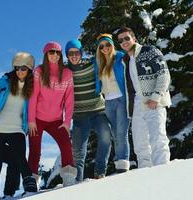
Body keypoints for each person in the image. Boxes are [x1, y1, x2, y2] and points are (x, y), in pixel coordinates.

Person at [117, 26, 171, 168]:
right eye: (121, 40)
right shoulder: (125, 60)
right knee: (140, 144)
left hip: (154, 102)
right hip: (137, 104)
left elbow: (164, 74)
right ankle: (144, 176)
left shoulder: (149, 51)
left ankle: (163, 171)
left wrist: (156, 97)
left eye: (127, 38)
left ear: (134, 38)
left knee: (158, 139)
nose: (124, 42)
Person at [0, 52, 37, 200]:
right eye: (17, 68)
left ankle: (24, 190)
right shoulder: (6, 82)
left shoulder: (32, 86)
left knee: (20, 159)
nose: (20, 71)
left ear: (29, 70)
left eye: (24, 68)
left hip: (17, 128)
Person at [28, 41, 77, 187]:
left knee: (66, 145)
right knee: (35, 150)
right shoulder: (39, 71)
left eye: (57, 52)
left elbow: (69, 100)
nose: (55, 55)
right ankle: (32, 181)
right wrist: (31, 120)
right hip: (37, 119)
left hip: (56, 120)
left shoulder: (67, 74)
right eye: (51, 52)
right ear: (46, 54)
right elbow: (33, 96)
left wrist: (67, 122)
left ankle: (68, 177)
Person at [65, 39, 112, 181]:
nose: (74, 56)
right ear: (67, 55)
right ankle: (78, 180)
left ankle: (100, 172)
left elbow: (109, 57)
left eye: (77, 52)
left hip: (98, 110)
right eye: (71, 53)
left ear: (81, 53)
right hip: (79, 116)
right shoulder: (65, 72)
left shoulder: (92, 64)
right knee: (78, 151)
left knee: (106, 138)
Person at [94, 34, 130, 173]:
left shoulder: (120, 58)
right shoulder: (99, 63)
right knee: (115, 133)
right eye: (101, 46)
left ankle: (122, 163)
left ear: (112, 45)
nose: (105, 48)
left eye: (107, 44)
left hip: (121, 99)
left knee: (121, 133)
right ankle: (119, 161)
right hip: (108, 102)